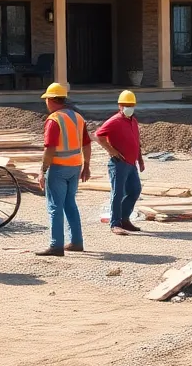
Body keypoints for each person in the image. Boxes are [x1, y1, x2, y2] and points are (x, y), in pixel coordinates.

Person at [36, 82, 91, 257]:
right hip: (75, 166)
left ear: (51, 100)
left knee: (55, 206)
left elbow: (49, 149)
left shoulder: (54, 120)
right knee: (70, 204)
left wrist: (42, 171)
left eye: (46, 99)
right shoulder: (77, 117)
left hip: (58, 168)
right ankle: (76, 242)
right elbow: (87, 143)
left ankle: (56, 245)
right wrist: (87, 165)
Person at [95, 90, 145, 236]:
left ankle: (124, 218)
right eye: (126, 105)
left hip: (131, 163)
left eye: (131, 105)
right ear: (120, 106)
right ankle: (115, 223)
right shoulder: (114, 121)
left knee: (135, 190)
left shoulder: (133, 121)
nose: (129, 107)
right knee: (118, 193)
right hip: (119, 163)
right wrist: (112, 151)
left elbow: (136, 141)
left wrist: (140, 159)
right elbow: (99, 135)